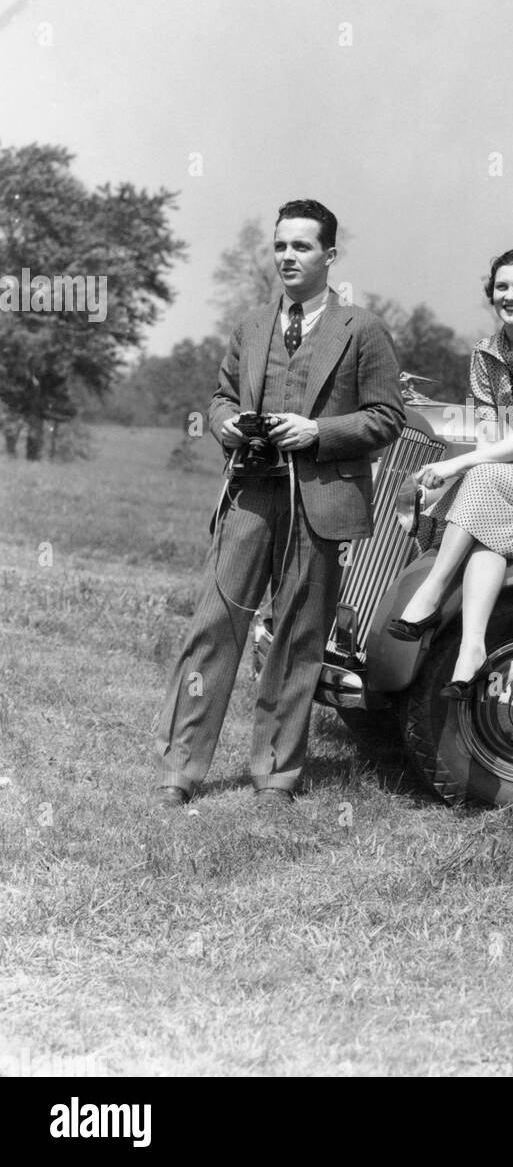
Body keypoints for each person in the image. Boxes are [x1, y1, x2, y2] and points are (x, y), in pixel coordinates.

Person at [153, 199, 405, 808]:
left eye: (302, 247)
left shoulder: (362, 329)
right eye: (280, 247)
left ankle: (276, 773)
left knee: (298, 636)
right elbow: (217, 396)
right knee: (213, 627)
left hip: (318, 501)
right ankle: (180, 770)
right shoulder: (252, 323)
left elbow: (387, 416)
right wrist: (228, 424)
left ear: (330, 256)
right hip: (250, 493)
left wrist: (318, 432)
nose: (288, 258)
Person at [387, 248, 513, 699]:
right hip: (505, 481)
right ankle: (471, 650)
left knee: (477, 480)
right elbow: (489, 437)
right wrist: (457, 478)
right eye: (502, 287)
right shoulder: (484, 352)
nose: (509, 296)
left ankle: (432, 592)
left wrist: (458, 467)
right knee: (484, 529)